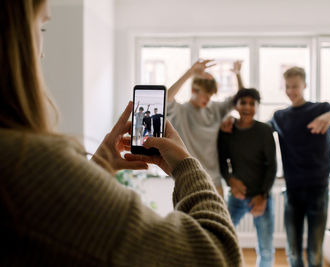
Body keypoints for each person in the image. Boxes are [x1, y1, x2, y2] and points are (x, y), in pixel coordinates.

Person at [0, 1, 243, 266]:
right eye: (42, 28)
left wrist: (97, 169)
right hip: (199, 175)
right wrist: (186, 166)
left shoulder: (15, 162)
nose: (42, 54)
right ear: (15, 41)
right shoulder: (25, 161)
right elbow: (217, 255)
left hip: (217, 174)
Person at [269, 67, 330, 267]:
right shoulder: (280, 116)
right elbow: (257, 132)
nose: (291, 91)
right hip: (293, 192)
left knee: (315, 252)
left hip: (318, 190)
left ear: (304, 85)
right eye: (287, 87)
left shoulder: (321, 109)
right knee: (293, 251)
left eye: (295, 86)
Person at [218, 88, 277, 267]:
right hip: (236, 195)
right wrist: (230, 181)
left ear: (257, 107)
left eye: (252, 104)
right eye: (243, 102)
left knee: (265, 248)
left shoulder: (265, 131)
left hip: (261, 196)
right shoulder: (227, 130)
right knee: (222, 240)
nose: (247, 107)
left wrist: (263, 196)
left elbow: (272, 166)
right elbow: (222, 160)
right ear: (236, 105)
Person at [167, 60, 242, 197]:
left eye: (211, 95)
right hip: (189, 180)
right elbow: (166, 99)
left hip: (214, 181)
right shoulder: (181, 112)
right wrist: (190, 73)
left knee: (219, 218)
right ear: (193, 90)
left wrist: (237, 74)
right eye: (205, 95)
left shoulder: (215, 109)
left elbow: (241, 98)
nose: (208, 99)